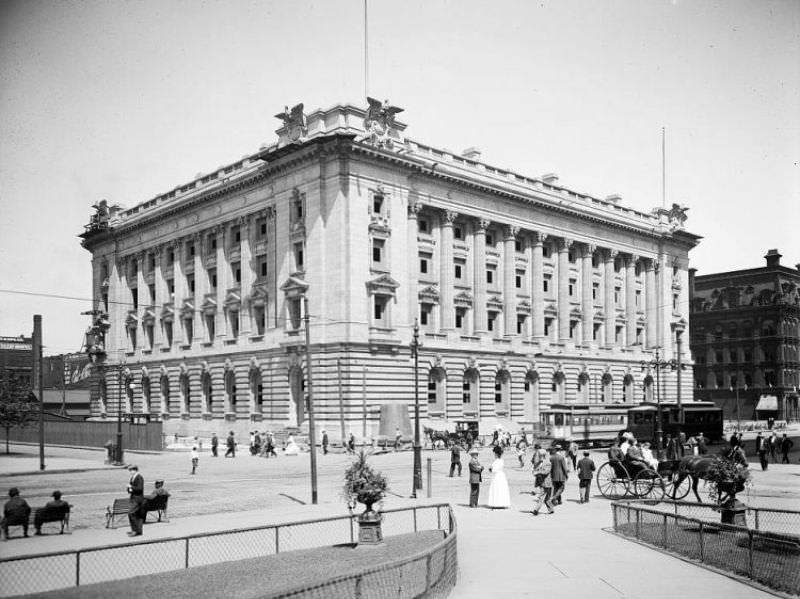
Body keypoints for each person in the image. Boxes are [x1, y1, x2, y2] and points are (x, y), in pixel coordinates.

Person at [532, 449, 554, 516]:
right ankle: (551, 509)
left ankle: (536, 510)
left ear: (543, 455)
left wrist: (538, 472)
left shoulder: (547, 463)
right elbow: (534, 471)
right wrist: (535, 472)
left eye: (539, 455)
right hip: (541, 482)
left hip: (546, 482)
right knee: (546, 498)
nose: (538, 456)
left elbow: (546, 471)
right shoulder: (539, 462)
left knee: (541, 497)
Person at [126, 465, 144, 537]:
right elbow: (132, 488)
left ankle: (135, 531)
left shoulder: (139, 477)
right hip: (133, 498)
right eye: (130, 470)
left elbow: (140, 488)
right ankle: (137, 530)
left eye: (131, 470)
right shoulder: (132, 478)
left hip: (137, 499)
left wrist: (131, 487)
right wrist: (129, 489)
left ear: (135, 470)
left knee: (131, 513)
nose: (130, 472)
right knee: (136, 514)